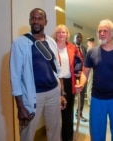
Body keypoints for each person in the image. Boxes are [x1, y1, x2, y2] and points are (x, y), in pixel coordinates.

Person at [10, 8, 67, 141]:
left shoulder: (51, 42)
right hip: (32, 95)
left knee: (54, 131)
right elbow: (15, 76)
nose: (36, 21)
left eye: (39, 18)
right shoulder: (20, 43)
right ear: (30, 20)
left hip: (53, 92)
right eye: (33, 18)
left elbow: (57, 70)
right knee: (27, 133)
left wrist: (61, 94)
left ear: (45, 22)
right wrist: (20, 106)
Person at [75, 19, 113, 141]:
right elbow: (85, 72)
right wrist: (81, 84)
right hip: (97, 99)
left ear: (112, 33)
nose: (101, 33)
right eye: (100, 31)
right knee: (96, 133)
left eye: (105, 31)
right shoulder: (92, 52)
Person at [52, 24, 82, 141]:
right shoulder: (50, 46)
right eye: (59, 32)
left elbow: (79, 62)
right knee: (53, 114)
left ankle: (67, 139)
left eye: (63, 32)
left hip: (69, 82)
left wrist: (78, 71)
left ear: (67, 34)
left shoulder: (72, 47)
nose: (61, 34)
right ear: (56, 34)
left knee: (68, 115)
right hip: (54, 83)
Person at [73, 33, 88, 122]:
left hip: (82, 75)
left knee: (81, 96)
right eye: (77, 37)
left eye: (80, 37)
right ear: (74, 38)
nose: (79, 38)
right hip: (73, 76)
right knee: (71, 96)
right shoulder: (70, 47)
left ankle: (79, 114)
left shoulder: (84, 49)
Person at [86, 37, 95, 105]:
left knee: (94, 86)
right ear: (88, 43)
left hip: (95, 70)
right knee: (89, 86)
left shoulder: (95, 50)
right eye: (90, 42)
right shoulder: (87, 51)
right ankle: (90, 102)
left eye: (92, 42)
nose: (91, 43)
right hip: (90, 70)